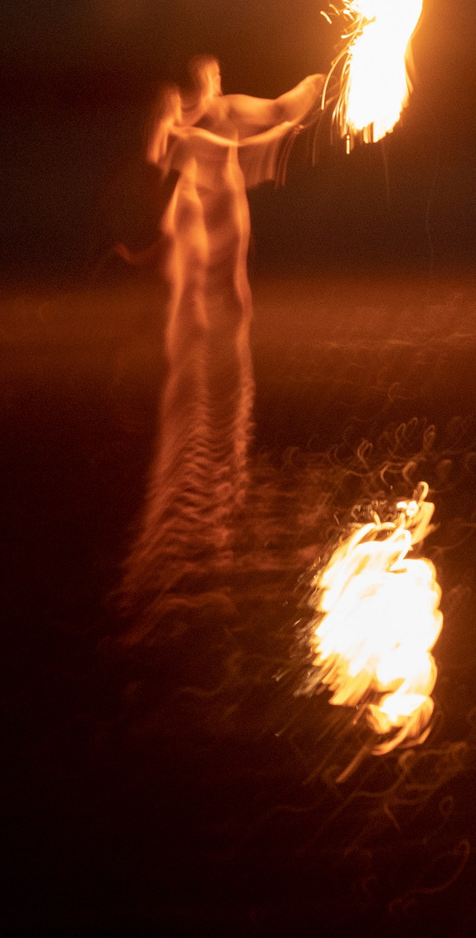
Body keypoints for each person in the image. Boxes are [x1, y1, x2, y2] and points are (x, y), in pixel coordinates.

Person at [123, 57, 324, 612]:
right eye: (207, 77)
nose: (218, 80)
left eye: (216, 75)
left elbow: (283, 108)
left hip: (232, 303)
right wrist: (169, 118)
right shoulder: (187, 142)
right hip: (197, 310)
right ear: (193, 88)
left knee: (231, 412)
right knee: (197, 415)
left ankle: (223, 509)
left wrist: (319, 84)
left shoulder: (232, 114)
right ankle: (180, 542)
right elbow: (163, 152)